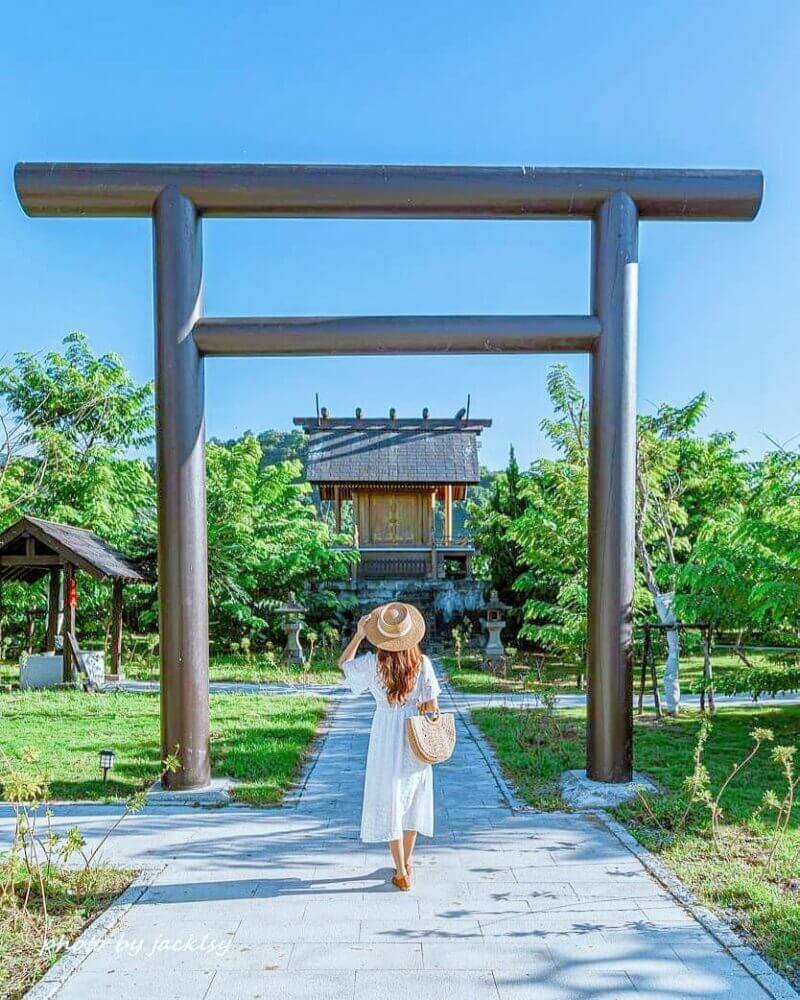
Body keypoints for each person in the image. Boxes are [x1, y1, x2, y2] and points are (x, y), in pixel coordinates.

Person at [338, 601, 441, 891]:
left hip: (385, 734)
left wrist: (358, 635)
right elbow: (432, 706)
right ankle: (406, 863)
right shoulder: (422, 664)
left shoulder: (373, 664)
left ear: (380, 636)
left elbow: (344, 666)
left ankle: (400, 871)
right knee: (412, 798)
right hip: (414, 735)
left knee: (390, 798)